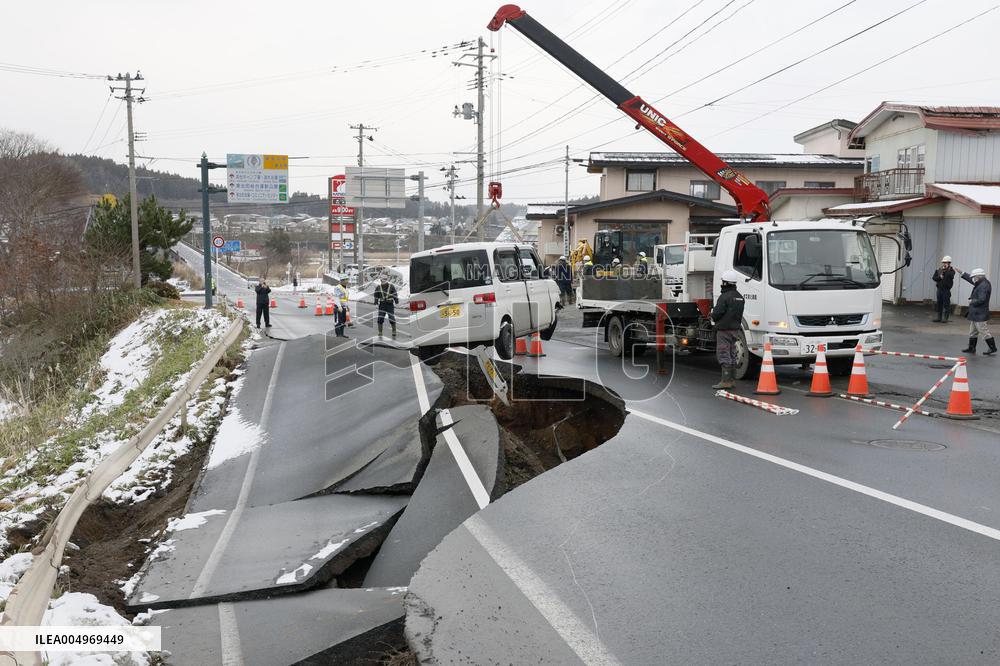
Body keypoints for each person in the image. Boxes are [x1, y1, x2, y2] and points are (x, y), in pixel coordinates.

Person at [710, 270, 746, 389]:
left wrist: (712, 316)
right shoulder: (740, 297)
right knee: (732, 353)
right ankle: (731, 380)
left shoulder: (724, 297)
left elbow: (717, 313)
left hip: (724, 330)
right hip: (735, 330)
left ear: (725, 283)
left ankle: (725, 381)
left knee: (723, 353)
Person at [955, 266, 995, 355]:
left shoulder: (984, 285)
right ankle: (971, 348)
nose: (973, 278)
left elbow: (982, 299)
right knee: (973, 331)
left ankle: (993, 348)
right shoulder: (981, 282)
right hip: (976, 313)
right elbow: (970, 280)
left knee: (983, 331)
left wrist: (971, 301)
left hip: (980, 313)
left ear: (978, 276)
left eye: (974, 277)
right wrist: (962, 273)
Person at [931, 255, 955, 322]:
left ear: (949, 263)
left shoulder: (951, 270)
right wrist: (939, 277)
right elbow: (934, 278)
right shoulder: (939, 269)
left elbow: (951, 276)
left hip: (946, 290)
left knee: (946, 304)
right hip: (939, 289)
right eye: (944, 262)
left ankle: (945, 318)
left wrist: (946, 270)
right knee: (939, 303)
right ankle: (939, 317)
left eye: (946, 262)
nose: (944, 263)